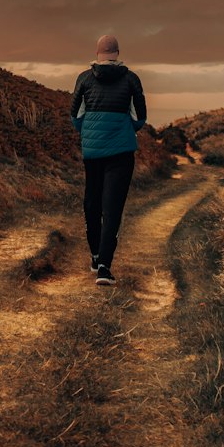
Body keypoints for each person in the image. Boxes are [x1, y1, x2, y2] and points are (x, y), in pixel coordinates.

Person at [70, 33, 147, 286]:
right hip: (121, 154)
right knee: (111, 208)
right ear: (117, 53)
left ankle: (94, 255)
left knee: (91, 203)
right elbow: (140, 117)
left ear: (97, 53)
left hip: (92, 153)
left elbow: (75, 115)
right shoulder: (131, 79)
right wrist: (123, 131)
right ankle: (104, 266)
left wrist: (91, 133)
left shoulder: (84, 78)